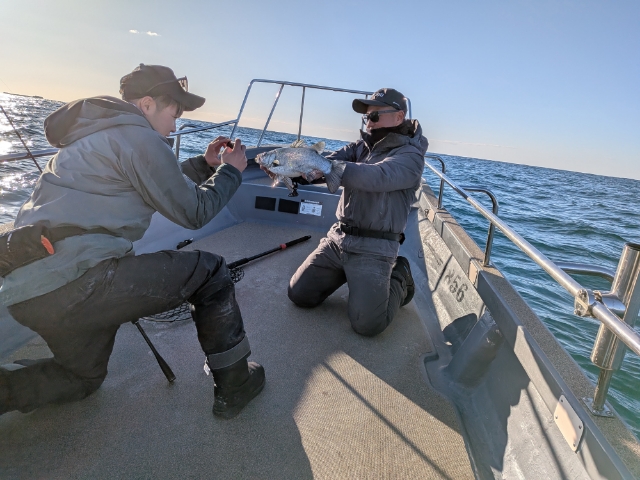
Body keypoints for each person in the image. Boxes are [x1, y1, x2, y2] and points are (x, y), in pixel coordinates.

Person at [0, 64, 264, 419]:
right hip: (81, 281)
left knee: (82, 377)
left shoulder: (94, 135)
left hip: (29, 294)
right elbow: (195, 212)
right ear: (147, 104)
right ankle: (236, 385)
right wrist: (231, 170)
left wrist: (205, 164)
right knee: (212, 272)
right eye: (174, 114)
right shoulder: (140, 137)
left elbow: (152, 182)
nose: (176, 125)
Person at [287, 88, 429, 336]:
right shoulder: (359, 147)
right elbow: (326, 163)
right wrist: (293, 171)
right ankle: (346, 273)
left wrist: (328, 168)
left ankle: (400, 275)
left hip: (375, 248)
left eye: (374, 116)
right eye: (366, 117)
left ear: (399, 117)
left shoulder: (411, 156)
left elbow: (378, 176)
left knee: (367, 325)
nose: (368, 122)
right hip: (338, 239)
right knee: (299, 294)